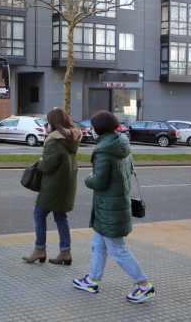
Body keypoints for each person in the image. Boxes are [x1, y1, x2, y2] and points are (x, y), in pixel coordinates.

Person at [73, 110, 156, 304]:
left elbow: (99, 181)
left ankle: (144, 286)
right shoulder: (122, 142)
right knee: (97, 244)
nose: (91, 131)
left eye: (92, 128)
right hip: (115, 204)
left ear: (99, 130)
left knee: (118, 250)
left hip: (110, 208)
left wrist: (88, 179)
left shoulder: (103, 150)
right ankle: (92, 280)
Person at [22, 108, 81, 265]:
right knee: (61, 217)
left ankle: (40, 249)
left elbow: (46, 167)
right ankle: (65, 252)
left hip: (53, 187)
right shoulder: (72, 138)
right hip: (67, 184)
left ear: (52, 123)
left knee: (39, 214)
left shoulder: (54, 141)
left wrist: (41, 160)